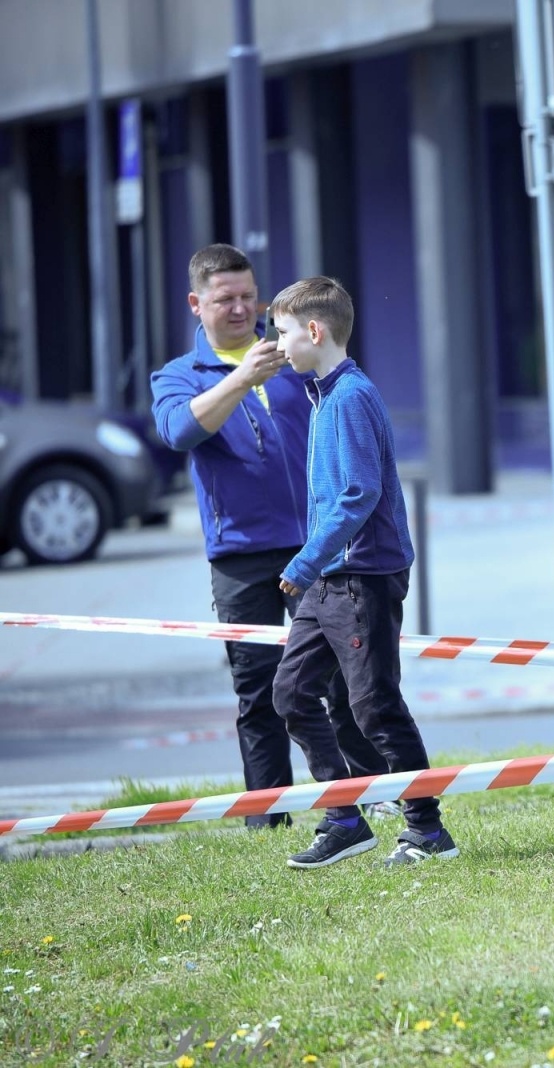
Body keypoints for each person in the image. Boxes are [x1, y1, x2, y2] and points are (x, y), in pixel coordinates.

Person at [150, 245, 387, 830]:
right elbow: (178, 430)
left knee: (335, 680)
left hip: (315, 548)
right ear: (195, 304)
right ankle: (268, 817)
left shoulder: (294, 350)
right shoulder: (181, 374)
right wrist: (240, 377)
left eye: (247, 295)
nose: (239, 308)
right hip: (238, 557)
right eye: (224, 298)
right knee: (258, 694)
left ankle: (361, 797)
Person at [267, 276, 455, 869]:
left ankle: (427, 830)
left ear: (314, 331)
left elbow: (356, 496)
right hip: (330, 578)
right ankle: (346, 815)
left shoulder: (348, 398)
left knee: (374, 703)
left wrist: (304, 562)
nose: (278, 344)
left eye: (283, 333)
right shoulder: (322, 394)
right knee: (294, 691)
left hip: (362, 576)